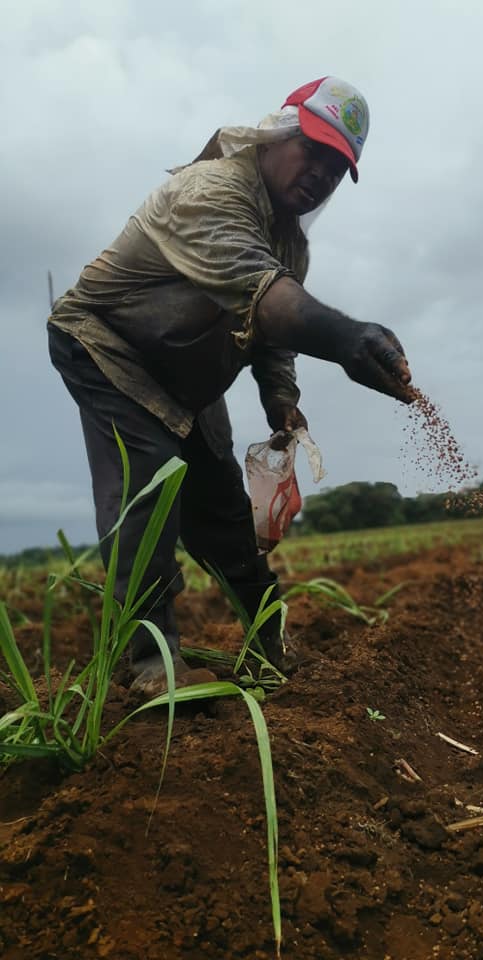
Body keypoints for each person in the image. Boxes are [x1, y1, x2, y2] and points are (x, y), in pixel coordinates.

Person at [47, 76, 413, 697]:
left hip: (188, 372)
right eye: (314, 152)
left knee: (220, 506)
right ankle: (146, 662)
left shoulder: (289, 244)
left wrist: (282, 402)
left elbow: (272, 337)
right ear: (276, 134)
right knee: (150, 484)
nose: (321, 174)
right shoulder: (211, 190)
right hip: (111, 346)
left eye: (336, 167)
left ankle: (270, 642)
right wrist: (350, 339)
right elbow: (268, 301)